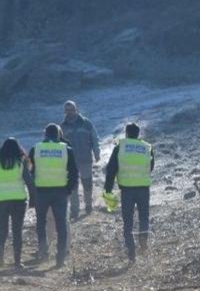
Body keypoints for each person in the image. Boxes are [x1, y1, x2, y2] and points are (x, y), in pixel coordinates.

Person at [104, 122, 154, 263]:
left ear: (126, 133)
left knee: (128, 222)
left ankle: (131, 253)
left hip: (127, 190)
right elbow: (151, 167)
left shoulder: (120, 148)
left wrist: (108, 188)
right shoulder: (147, 147)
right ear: (138, 134)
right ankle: (143, 239)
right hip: (143, 188)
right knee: (144, 217)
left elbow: (111, 169)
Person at [30, 124, 78, 267]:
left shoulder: (35, 149)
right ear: (58, 134)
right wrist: (68, 189)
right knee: (62, 224)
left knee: (41, 224)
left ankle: (44, 252)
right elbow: (74, 173)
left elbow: (31, 171)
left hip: (41, 191)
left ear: (45, 134)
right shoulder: (66, 149)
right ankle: (60, 257)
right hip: (60, 191)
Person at [0, 137, 32, 268]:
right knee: (17, 231)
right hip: (18, 199)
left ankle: (0, 253)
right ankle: (17, 262)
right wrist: (34, 198)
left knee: (2, 230)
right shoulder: (21, 162)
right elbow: (29, 181)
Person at [60, 101, 101, 220]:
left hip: (85, 159)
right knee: (73, 186)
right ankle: (75, 211)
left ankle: (88, 205)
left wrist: (96, 152)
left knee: (87, 184)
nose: (70, 112)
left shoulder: (86, 123)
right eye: (67, 110)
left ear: (76, 109)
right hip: (70, 162)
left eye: (72, 109)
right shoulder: (62, 127)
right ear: (65, 111)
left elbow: (94, 138)